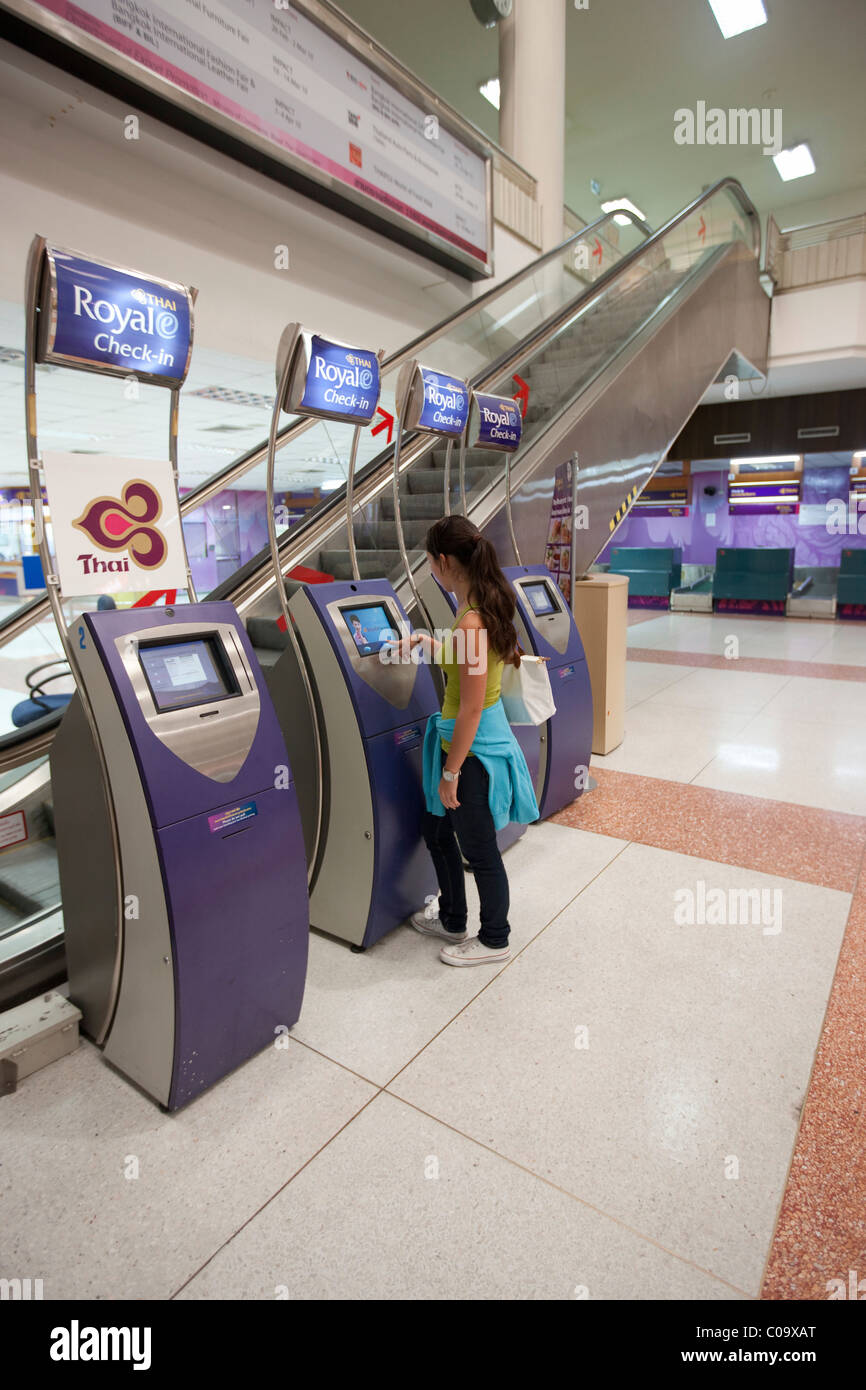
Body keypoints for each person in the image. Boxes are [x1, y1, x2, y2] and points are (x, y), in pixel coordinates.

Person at [406, 515, 539, 966]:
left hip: (473, 752)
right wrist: (428, 643)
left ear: (444, 561)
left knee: (478, 848)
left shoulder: (471, 622)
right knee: (436, 830)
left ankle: (494, 939)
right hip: (468, 744)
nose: (430, 571)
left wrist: (451, 773)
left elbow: (471, 705)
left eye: (429, 562)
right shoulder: (478, 607)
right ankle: (452, 916)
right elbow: (467, 665)